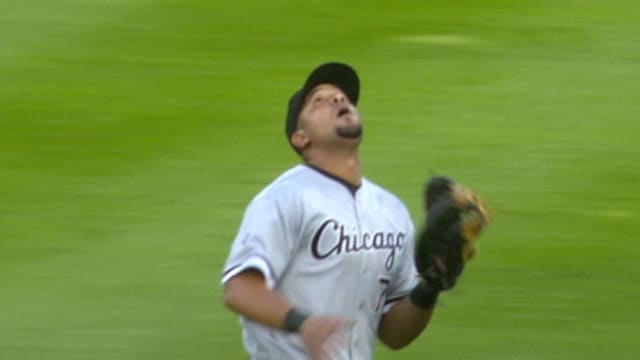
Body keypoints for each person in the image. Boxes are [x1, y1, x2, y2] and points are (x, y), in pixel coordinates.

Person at [222, 62, 442, 359]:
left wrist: (430, 287)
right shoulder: (283, 199)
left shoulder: (391, 211)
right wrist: (303, 323)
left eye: (342, 96)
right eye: (319, 101)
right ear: (301, 137)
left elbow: (393, 334)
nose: (338, 99)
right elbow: (238, 289)